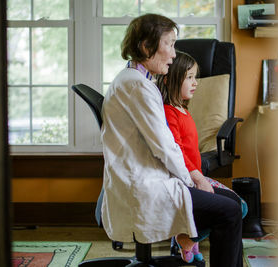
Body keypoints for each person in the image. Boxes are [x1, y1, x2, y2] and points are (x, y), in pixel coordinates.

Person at [101, 13, 243, 267]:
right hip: (145, 187)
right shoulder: (138, 87)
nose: (175, 54)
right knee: (229, 211)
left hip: (147, 177)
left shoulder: (137, 81)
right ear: (146, 47)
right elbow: (165, 146)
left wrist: (194, 179)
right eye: (170, 44)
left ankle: (188, 241)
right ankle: (188, 242)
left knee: (230, 204)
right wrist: (195, 179)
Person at [157, 51, 248, 262]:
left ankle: (189, 238)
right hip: (184, 179)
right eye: (189, 77)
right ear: (170, 79)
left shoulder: (182, 109)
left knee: (238, 204)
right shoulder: (169, 112)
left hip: (192, 176)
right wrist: (197, 178)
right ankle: (188, 237)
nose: (195, 82)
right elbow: (176, 152)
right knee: (233, 208)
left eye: (195, 76)